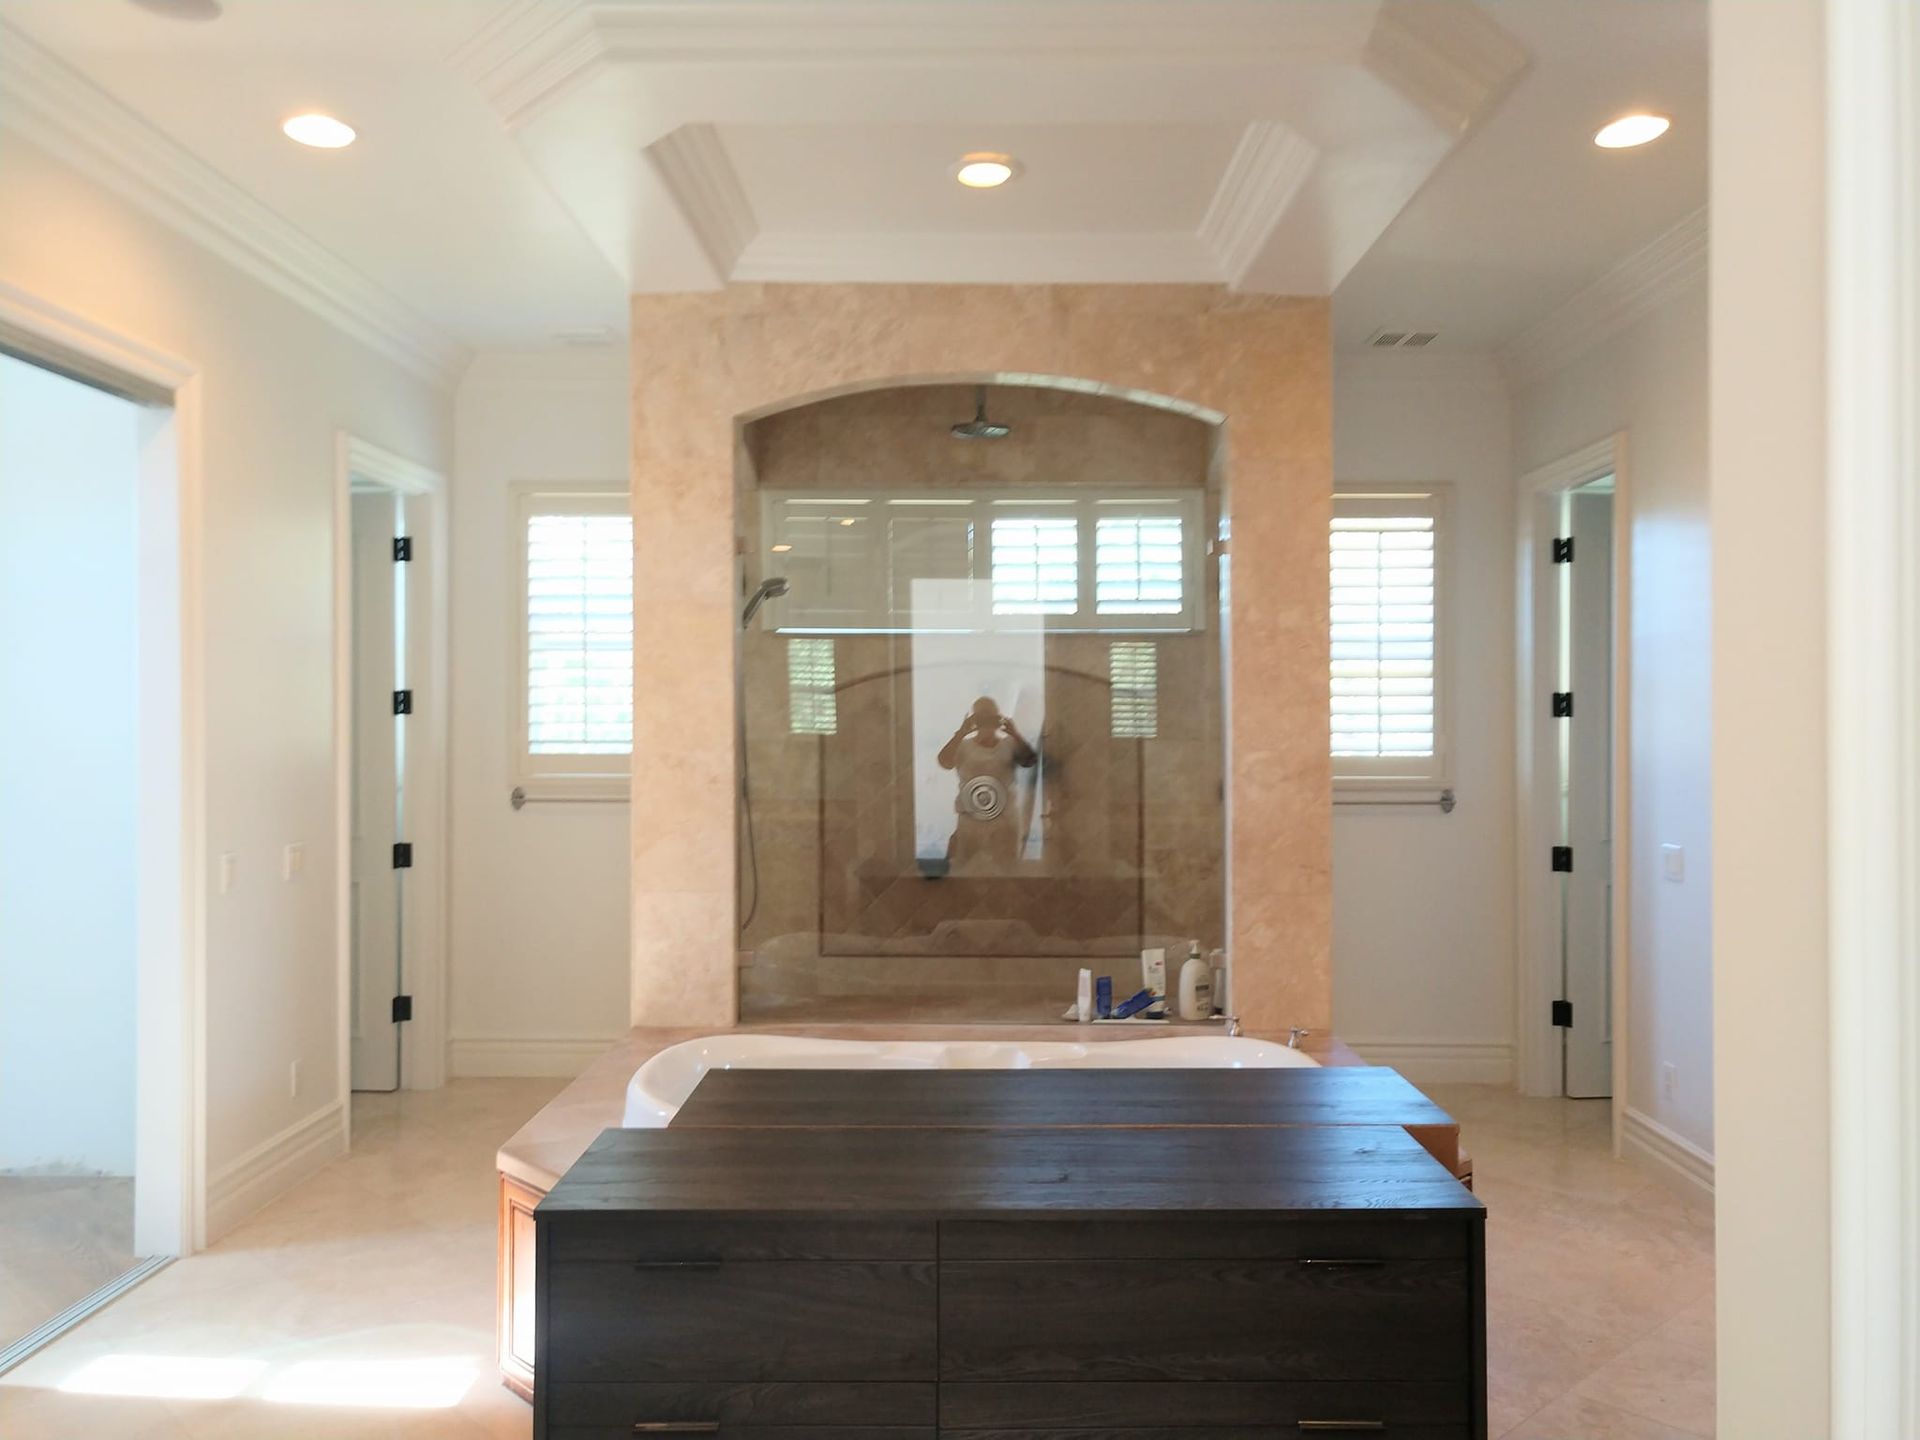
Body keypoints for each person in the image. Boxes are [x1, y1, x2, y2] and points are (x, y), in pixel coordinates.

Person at [937, 695, 1037, 872]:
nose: (986, 721)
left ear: (999, 717)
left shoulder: (1010, 744)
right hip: (970, 822)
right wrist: (961, 733)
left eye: (990, 716)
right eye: (981, 716)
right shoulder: (963, 746)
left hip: (1005, 822)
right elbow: (944, 762)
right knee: (965, 874)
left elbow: (1030, 761)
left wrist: (1015, 734)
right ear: (973, 719)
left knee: (1007, 874)